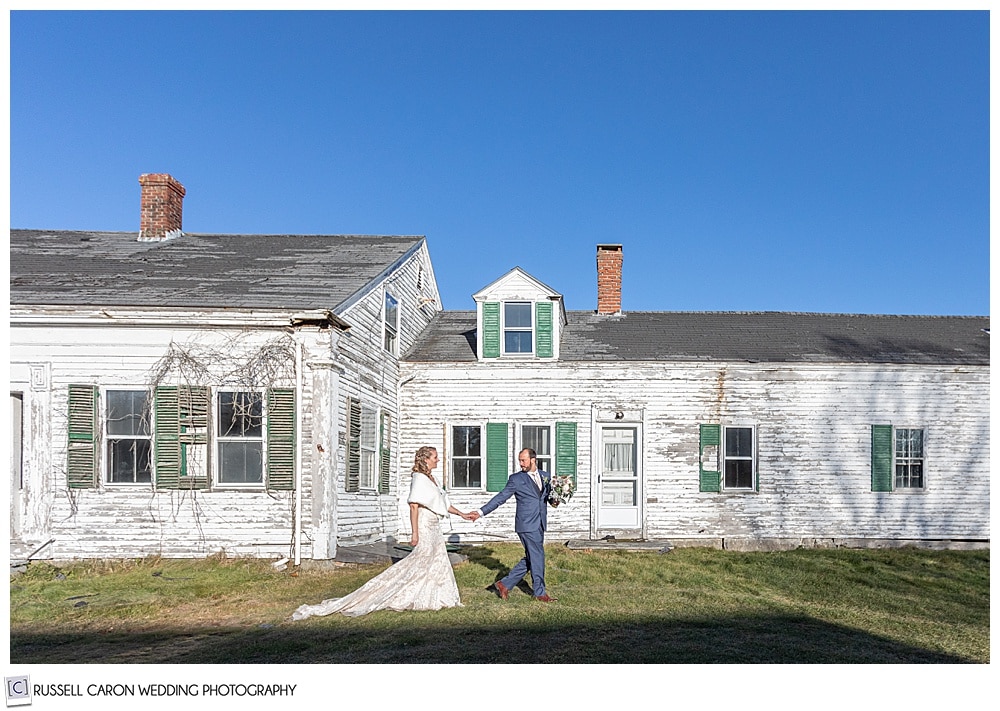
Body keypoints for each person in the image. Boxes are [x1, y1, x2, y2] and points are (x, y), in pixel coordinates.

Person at [292, 446, 475, 619]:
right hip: (424, 524)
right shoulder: (418, 478)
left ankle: (437, 597)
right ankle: (394, 593)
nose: (438, 460)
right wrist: (415, 534)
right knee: (421, 559)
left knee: (437, 560)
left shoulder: (432, 479)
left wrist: (463, 514)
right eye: (435, 457)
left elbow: (444, 503)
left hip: (435, 525)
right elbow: (413, 506)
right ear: (426, 459)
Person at [470, 448, 559, 602]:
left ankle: (504, 584)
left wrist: (557, 498)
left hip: (540, 523)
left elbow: (549, 499)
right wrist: (480, 512)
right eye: (519, 460)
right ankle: (540, 593)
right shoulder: (516, 479)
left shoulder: (545, 476)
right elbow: (501, 497)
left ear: (533, 460)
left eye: (523, 460)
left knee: (533, 557)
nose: (521, 464)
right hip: (526, 524)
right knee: (537, 556)